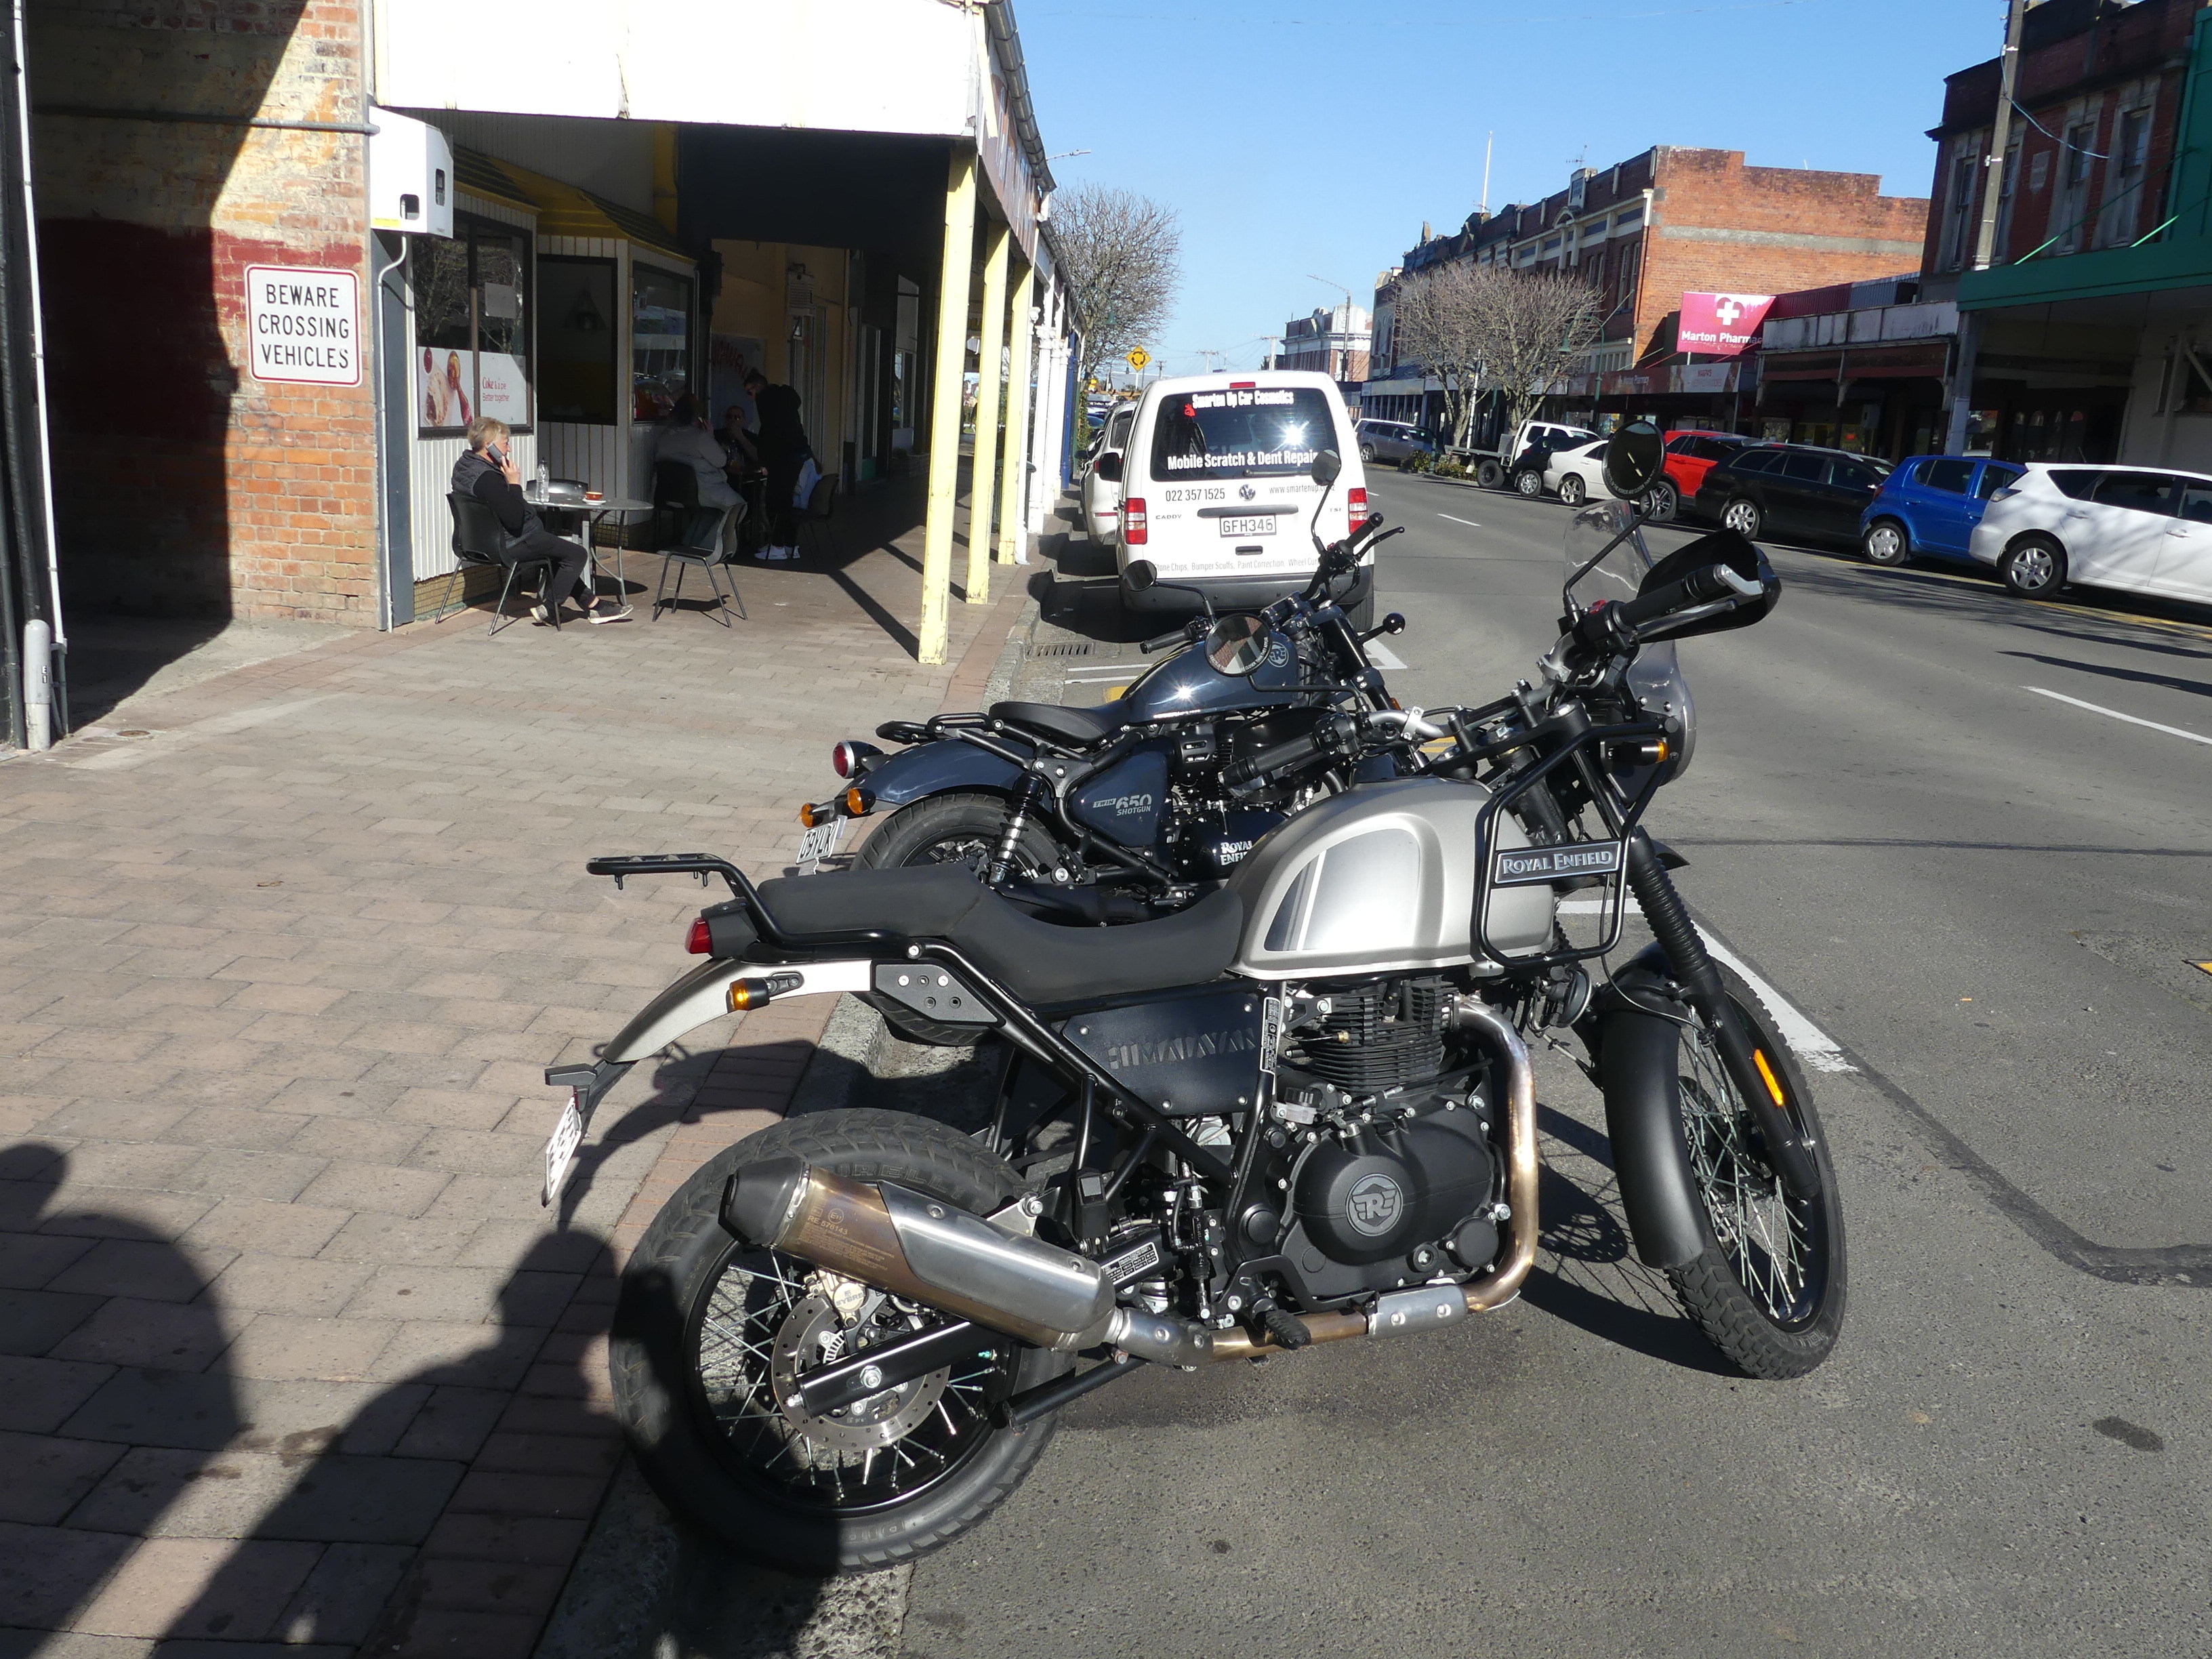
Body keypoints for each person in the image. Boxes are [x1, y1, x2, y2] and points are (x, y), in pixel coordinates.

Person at [452, 415, 630, 624]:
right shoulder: (488, 478)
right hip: (510, 543)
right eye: (505, 443)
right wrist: (514, 483)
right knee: (576, 554)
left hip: (477, 544)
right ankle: (549, 607)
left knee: (556, 556)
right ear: (488, 446)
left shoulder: (464, 467)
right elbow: (514, 520)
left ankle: (595, 606)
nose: (508, 449)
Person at [655, 394, 745, 556]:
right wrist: (710, 436)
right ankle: (710, 548)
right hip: (701, 490)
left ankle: (690, 543)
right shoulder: (700, 437)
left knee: (710, 511)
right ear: (696, 417)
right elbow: (721, 461)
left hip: (668, 492)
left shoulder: (663, 437)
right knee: (738, 507)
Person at [748, 369, 812, 562]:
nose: (750, 397)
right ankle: (790, 546)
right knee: (787, 503)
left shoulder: (767, 402)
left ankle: (777, 545)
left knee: (775, 502)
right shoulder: (785, 400)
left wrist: (765, 460)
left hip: (783, 459)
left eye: (749, 392)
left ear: (758, 388)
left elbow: (771, 435)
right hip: (798, 456)